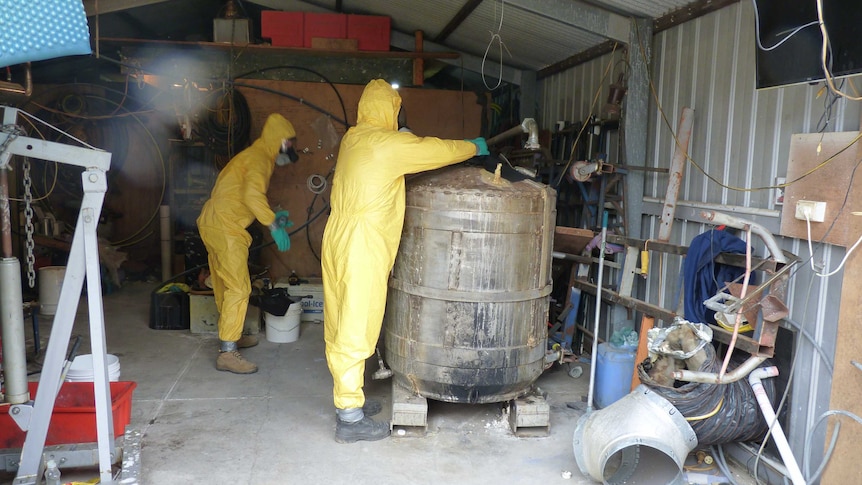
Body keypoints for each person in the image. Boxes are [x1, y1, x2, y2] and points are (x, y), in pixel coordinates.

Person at [321, 79, 489, 443]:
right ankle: (349, 419)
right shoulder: (387, 144)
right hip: (363, 242)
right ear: (390, 110)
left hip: (338, 235)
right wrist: (470, 146)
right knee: (357, 324)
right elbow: (434, 150)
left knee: (339, 318)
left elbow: (401, 148)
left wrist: (402, 138)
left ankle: (348, 398)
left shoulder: (354, 138)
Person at [197, 113, 299, 374]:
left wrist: (274, 216)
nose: (289, 151)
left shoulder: (251, 156)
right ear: (278, 141)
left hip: (213, 221)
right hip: (227, 226)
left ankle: (231, 335)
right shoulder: (260, 159)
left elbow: (241, 194)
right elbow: (251, 194)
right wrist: (273, 224)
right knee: (240, 288)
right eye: (288, 145)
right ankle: (228, 353)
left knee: (224, 284)